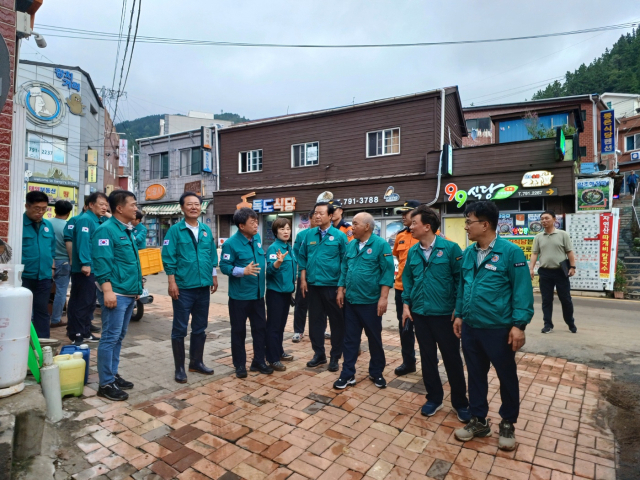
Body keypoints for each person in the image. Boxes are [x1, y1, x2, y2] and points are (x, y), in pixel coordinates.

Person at [453, 201, 533, 451]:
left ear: (485, 225)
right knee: (475, 376)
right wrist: (458, 314)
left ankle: (508, 422)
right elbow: (463, 287)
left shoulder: (511, 253)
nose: (466, 226)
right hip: (471, 327)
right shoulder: (468, 254)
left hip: (499, 328)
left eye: (469, 222)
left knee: (506, 376)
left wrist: (519, 325)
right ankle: (479, 421)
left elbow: (522, 290)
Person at [401, 207, 470, 421]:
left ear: (427, 226)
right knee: (427, 357)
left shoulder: (451, 249)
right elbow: (408, 280)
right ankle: (434, 398)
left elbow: (461, 281)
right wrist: (406, 305)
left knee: (451, 358)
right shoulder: (413, 251)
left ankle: (460, 403)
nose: (410, 226)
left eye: (414, 223)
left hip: (444, 316)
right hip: (420, 314)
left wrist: (458, 311)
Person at [161, 192, 219, 383]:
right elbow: (168, 257)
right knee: (179, 328)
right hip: (183, 288)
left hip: (203, 287)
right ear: (182, 207)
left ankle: (196, 362)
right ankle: (179, 369)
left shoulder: (205, 230)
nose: (194, 207)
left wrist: (214, 276)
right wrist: (172, 282)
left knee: (200, 327)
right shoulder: (175, 231)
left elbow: (211, 255)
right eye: (189, 204)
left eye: (197, 204)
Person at [334, 213, 394, 389]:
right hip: (351, 302)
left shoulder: (381, 245)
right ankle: (347, 374)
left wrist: (383, 298)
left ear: (367, 226)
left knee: (374, 339)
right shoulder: (351, 245)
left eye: (355, 224)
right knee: (350, 340)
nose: (352, 227)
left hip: (371, 303)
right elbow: (344, 268)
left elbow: (387, 272)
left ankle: (376, 373)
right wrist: (340, 289)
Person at [92, 190, 142, 401]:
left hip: (128, 293)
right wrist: (107, 291)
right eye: (133, 204)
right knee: (110, 337)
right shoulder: (106, 231)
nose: (136, 208)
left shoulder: (126, 230)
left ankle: (112, 374)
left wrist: (137, 290)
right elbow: (102, 264)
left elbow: (129, 264)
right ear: (120, 208)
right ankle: (105, 383)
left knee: (118, 336)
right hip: (116, 293)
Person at [219, 208, 273, 378]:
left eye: (257, 221)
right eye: (252, 222)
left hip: (257, 295)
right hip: (239, 297)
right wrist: (243, 271)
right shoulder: (230, 244)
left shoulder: (256, 239)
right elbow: (224, 266)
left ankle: (258, 361)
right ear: (241, 226)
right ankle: (240, 365)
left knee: (260, 329)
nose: (256, 225)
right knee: (239, 331)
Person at [298, 202, 348, 371]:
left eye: (321, 213)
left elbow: (345, 262)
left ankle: (335, 356)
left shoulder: (339, 236)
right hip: (313, 286)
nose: (317, 216)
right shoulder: (309, 235)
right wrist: (303, 279)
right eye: (315, 213)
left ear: (330, 216)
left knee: (336, 323)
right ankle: (319, 354)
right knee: (315, 323)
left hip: (332, 286)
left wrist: (341, 287)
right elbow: (302, 257)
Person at [67, 192, 108, 345]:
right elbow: (84, 243)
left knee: (90, 302)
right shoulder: (85, 220)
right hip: (85, 269)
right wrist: (85, 263)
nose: (105, 208)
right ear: (91, 205)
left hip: (94, 268)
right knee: (81, 302)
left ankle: (85, 332)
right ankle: (76, 334)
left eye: (106, 205)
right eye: (102, 204)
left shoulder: (97, 220)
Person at [529, 210, 577, 334]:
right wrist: (531, 268)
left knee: (565, 299)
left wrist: (573, 267)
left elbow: (569, 252)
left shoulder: (562, 234)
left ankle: (570, 322)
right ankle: (548, 325)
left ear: (554, 219)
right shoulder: (538, 237)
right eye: (542, 219)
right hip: (545, 272)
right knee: (546, 300)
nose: (544, 221)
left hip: (561, 272)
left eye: (547, 218)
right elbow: (534, 254)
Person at [391, 200, 420, 376]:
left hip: (422, 290)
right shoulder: (400, 236)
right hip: (401, 289)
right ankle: (408, 362)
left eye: (406, 213)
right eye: (401, 213)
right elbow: (397, 257)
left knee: (426, 329)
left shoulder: (435, 235)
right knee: (405, 328)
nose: (402, 216)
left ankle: (430, 361)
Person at [22, 191, 55, 339]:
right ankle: (24, 342)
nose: (40, 212)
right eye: (37, 208)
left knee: (42, 311)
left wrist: (52, 268)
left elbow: (51, 249)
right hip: (24, 277)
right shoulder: (18, 225)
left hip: (44, 277)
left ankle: (43, 344)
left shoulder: (48, 225)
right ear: (27, 206)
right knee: (22, 312)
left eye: (44, 208)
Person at [265, 217, 296, 371]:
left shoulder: (288, 247)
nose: (286, 231)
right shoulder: (274, 248)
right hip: (275, 294)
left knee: (281, 326)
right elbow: (269, 271)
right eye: (282, 229)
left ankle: (279, 351)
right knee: (274, 326)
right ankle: (272, 357)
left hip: (286, 293)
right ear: (275, 232)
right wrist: (278, 262)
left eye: (288, 228)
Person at [291, 209, 316, 343]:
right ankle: (298, 331)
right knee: (301, 304)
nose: (317, 220)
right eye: (315, 217)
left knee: (320, 306)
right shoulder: (302, 235)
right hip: (303, 276)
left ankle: (320, 329)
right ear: (310, 219)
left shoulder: (327, 235)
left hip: (320, 278)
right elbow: (296, 254)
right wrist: (299, 274)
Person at [49, 200, 74, 329]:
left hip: (49, 261)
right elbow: (70, 245)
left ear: (54, 210)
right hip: (64, 261)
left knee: (43, 290)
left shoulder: (47, 223)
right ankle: (55, 319)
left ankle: (33, 318)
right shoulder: (68, 226)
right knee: (61, 292)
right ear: (69, 213)